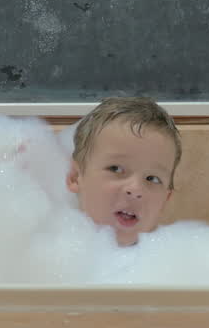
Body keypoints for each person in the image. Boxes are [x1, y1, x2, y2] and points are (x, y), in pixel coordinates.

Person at [65, 97, 182, 246]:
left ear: (165, 200)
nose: (135, 189)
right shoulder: (47, 252)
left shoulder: (172, 261)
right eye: (116, 169)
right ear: (75, 177)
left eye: (152, 178)